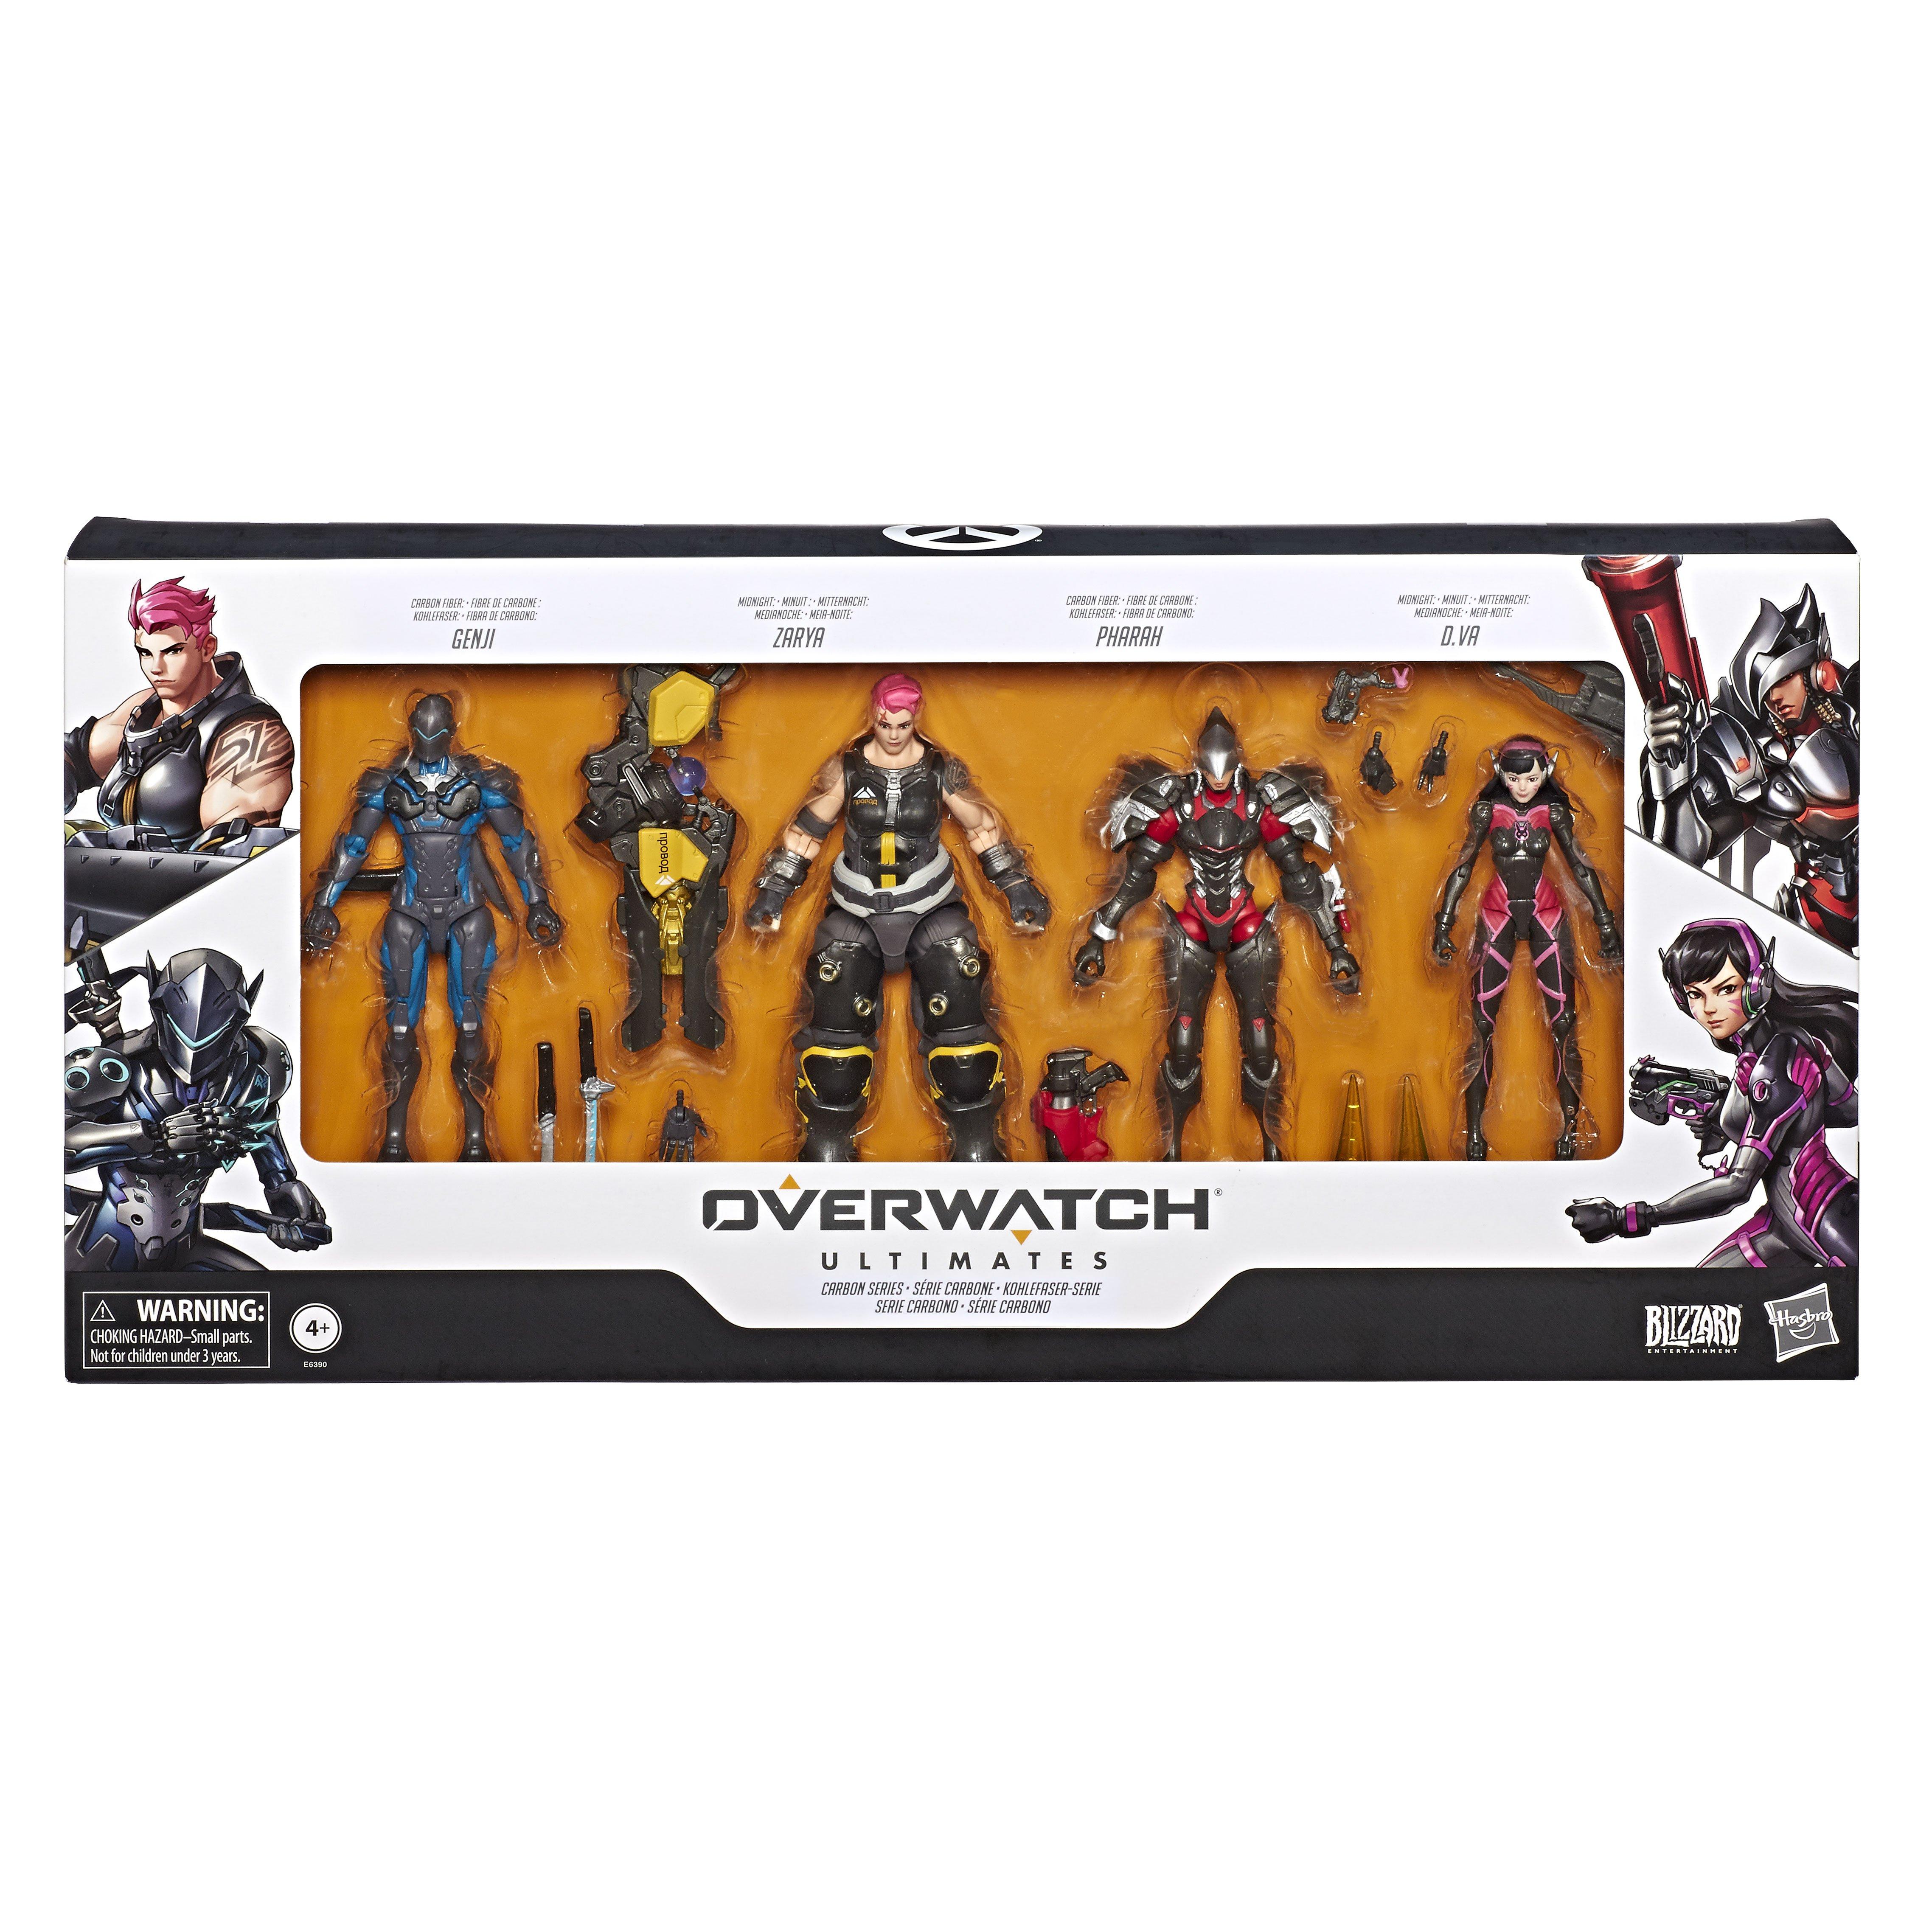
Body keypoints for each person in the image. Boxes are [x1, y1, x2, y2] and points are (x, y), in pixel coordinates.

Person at [747, 672, 1048, 1161]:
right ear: (874, 715)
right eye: (886, 723)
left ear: (916, 718)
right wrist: (774, 891)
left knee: (962, 1016)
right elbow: (807, 831)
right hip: (857, 907)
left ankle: (976, 1147)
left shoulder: (939, 769)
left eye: (902, 725)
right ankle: (826, 1147)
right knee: (835, 1034)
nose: (892, 734)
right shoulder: (846, 768)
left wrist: (1015, 885)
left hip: (931, 904)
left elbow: (982, 827)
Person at [1567, 918, 1856, 1266]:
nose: (1709, 1009)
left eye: (1726, 989)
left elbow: (1738, 1186)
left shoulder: (1775, 1063)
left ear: (1758, 986)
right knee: (1700, 1293)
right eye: (1695, 994)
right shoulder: (1766, 1053)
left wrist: (1624, 1218)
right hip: (1783, 1226)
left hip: (1831, 1226)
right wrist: (1735, 1112)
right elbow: (1849, 1110)